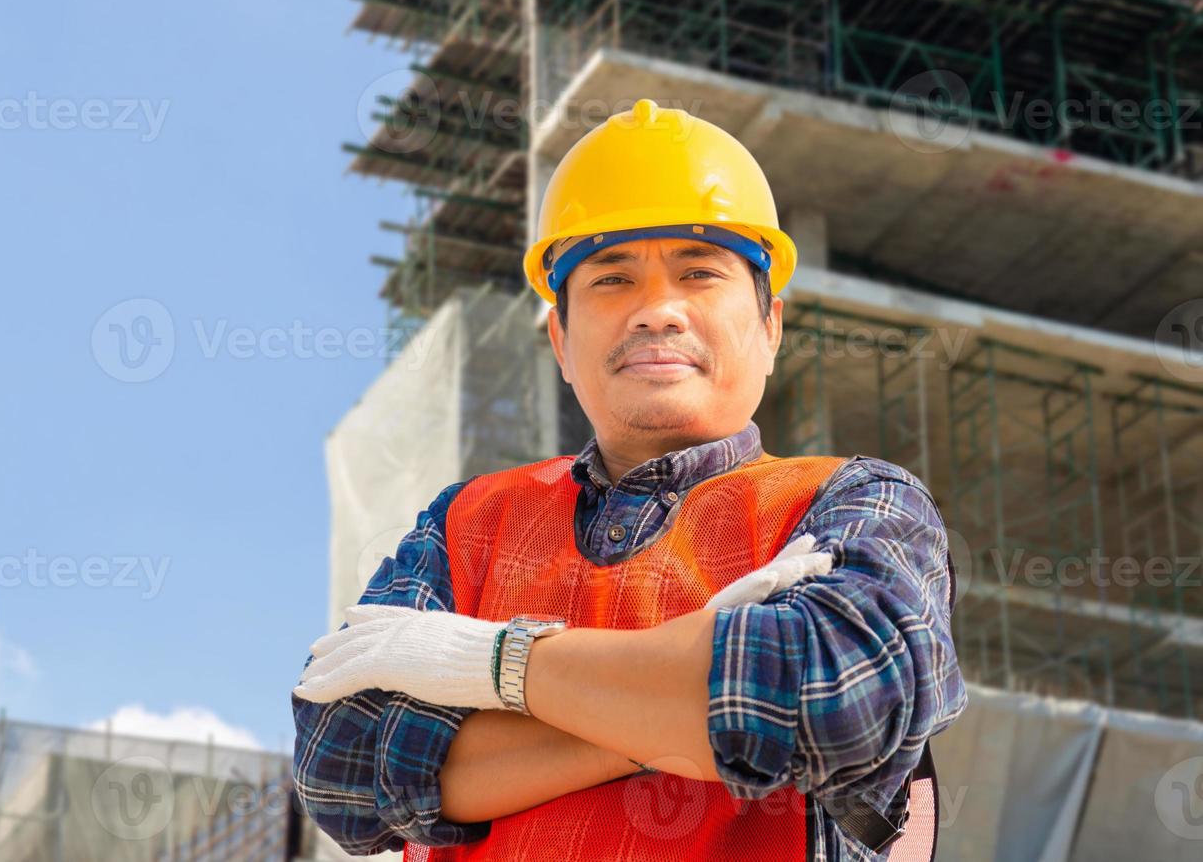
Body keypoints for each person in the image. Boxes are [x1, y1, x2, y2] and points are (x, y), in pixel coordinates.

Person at [291, 99, 967, 860]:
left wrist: (490, 666)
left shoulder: (857, 504)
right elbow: (342, 767)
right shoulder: (465, 524)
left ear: (769, 325)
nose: (657, 311)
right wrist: (688, 698)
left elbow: (842, 701)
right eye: (612, 278)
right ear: (560, 338)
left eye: (699, 272)